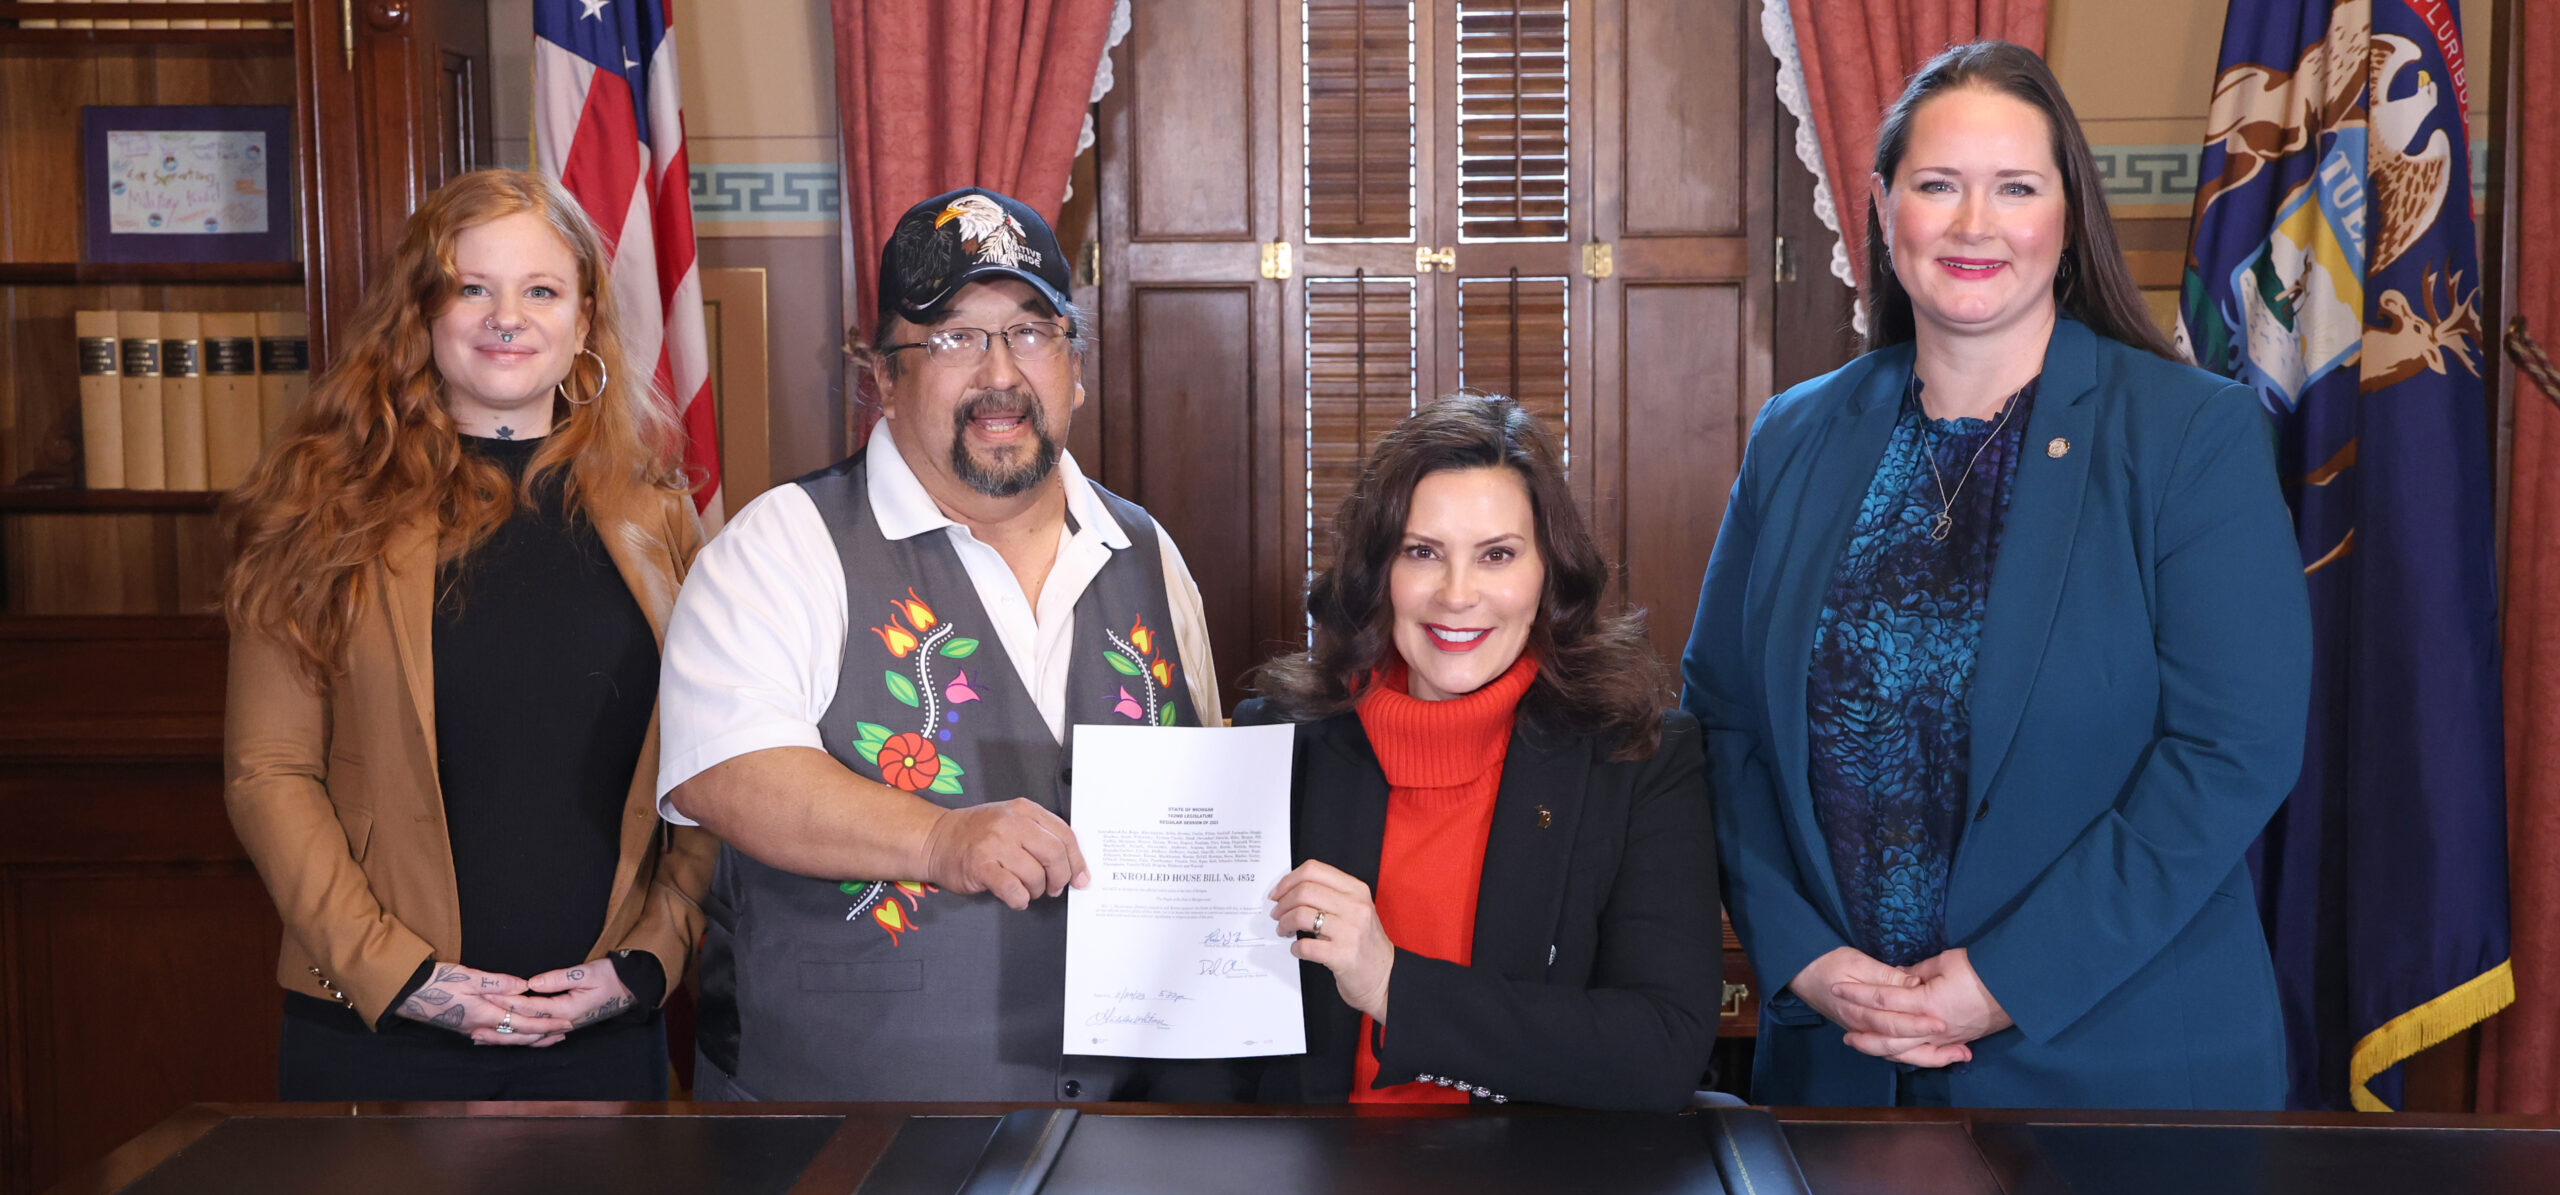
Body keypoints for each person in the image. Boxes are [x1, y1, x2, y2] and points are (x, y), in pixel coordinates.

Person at [1682, 41, 2311, 1109]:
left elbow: (2230, 751)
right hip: (1843, 1063)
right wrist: (1799, 958)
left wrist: (2001, 982)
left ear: (2066, 216)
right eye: (1937, 185)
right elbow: (1720, 724)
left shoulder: (2184, 434)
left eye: (2014, 188)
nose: (1974, 225)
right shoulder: (1794, 435)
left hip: (2115, 1073)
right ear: (1884, 210)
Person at [658, 186, 1222, 1102]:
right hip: (834, 1140)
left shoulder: (1149, 552)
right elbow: (720, 772)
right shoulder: (782, 543)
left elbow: (1204, 790)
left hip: (1123, 1140)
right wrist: (937, 838)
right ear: (881, 375)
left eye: (1032, 333)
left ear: (1074, 366)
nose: (1000, 375)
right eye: (955, 338)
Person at [223, 169, 715, 1101]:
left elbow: (715, 766)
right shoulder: (317, 511)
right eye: (471, 287)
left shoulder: (661, 519)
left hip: (603, 1031)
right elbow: (268, 772)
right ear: (422, 312)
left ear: (582, 325)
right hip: (379, 1031)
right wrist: (399, 977)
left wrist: (650, 960)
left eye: (541, 290)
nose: (507, 317)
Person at [1214, 393, 1720, 1111]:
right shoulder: (1276, 744)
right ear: (1378, 570)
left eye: (1497, 556)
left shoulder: (1641, 759)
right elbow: (1209, 1042)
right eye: (1422, 553)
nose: (1457, 595)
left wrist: (1395, 985)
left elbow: (1662, 1049)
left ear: (1549, 572)